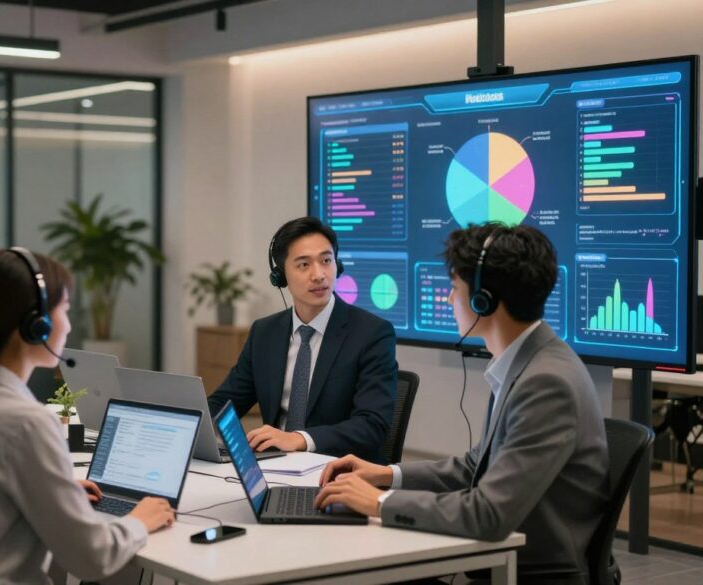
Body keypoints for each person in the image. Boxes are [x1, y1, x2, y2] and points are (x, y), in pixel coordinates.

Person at [315, 223, 609, 584]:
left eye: (455, 288)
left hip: (532, 574)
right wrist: (386, 475)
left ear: (483, 299)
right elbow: (477, 466)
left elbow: (488, 514)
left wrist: (378, 502)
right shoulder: (527, 363)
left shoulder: (545, 384)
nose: (449, 300)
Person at [0, 247, 175, 584]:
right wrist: (140, 519)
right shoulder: (27, 424)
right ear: (37, 325)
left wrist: (52, 487)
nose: (69, 323)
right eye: (63, 309)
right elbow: (92, 558)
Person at [207, 216, 398, 460]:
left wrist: (298, 439)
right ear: (281, 277)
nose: (319, 275)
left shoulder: (371, 333)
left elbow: (372, 426)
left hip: (338, 472)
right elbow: (224, 403)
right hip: (273, 466)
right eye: (304, 265)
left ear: (337, 266)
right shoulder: (264, 332)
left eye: (326, 260)